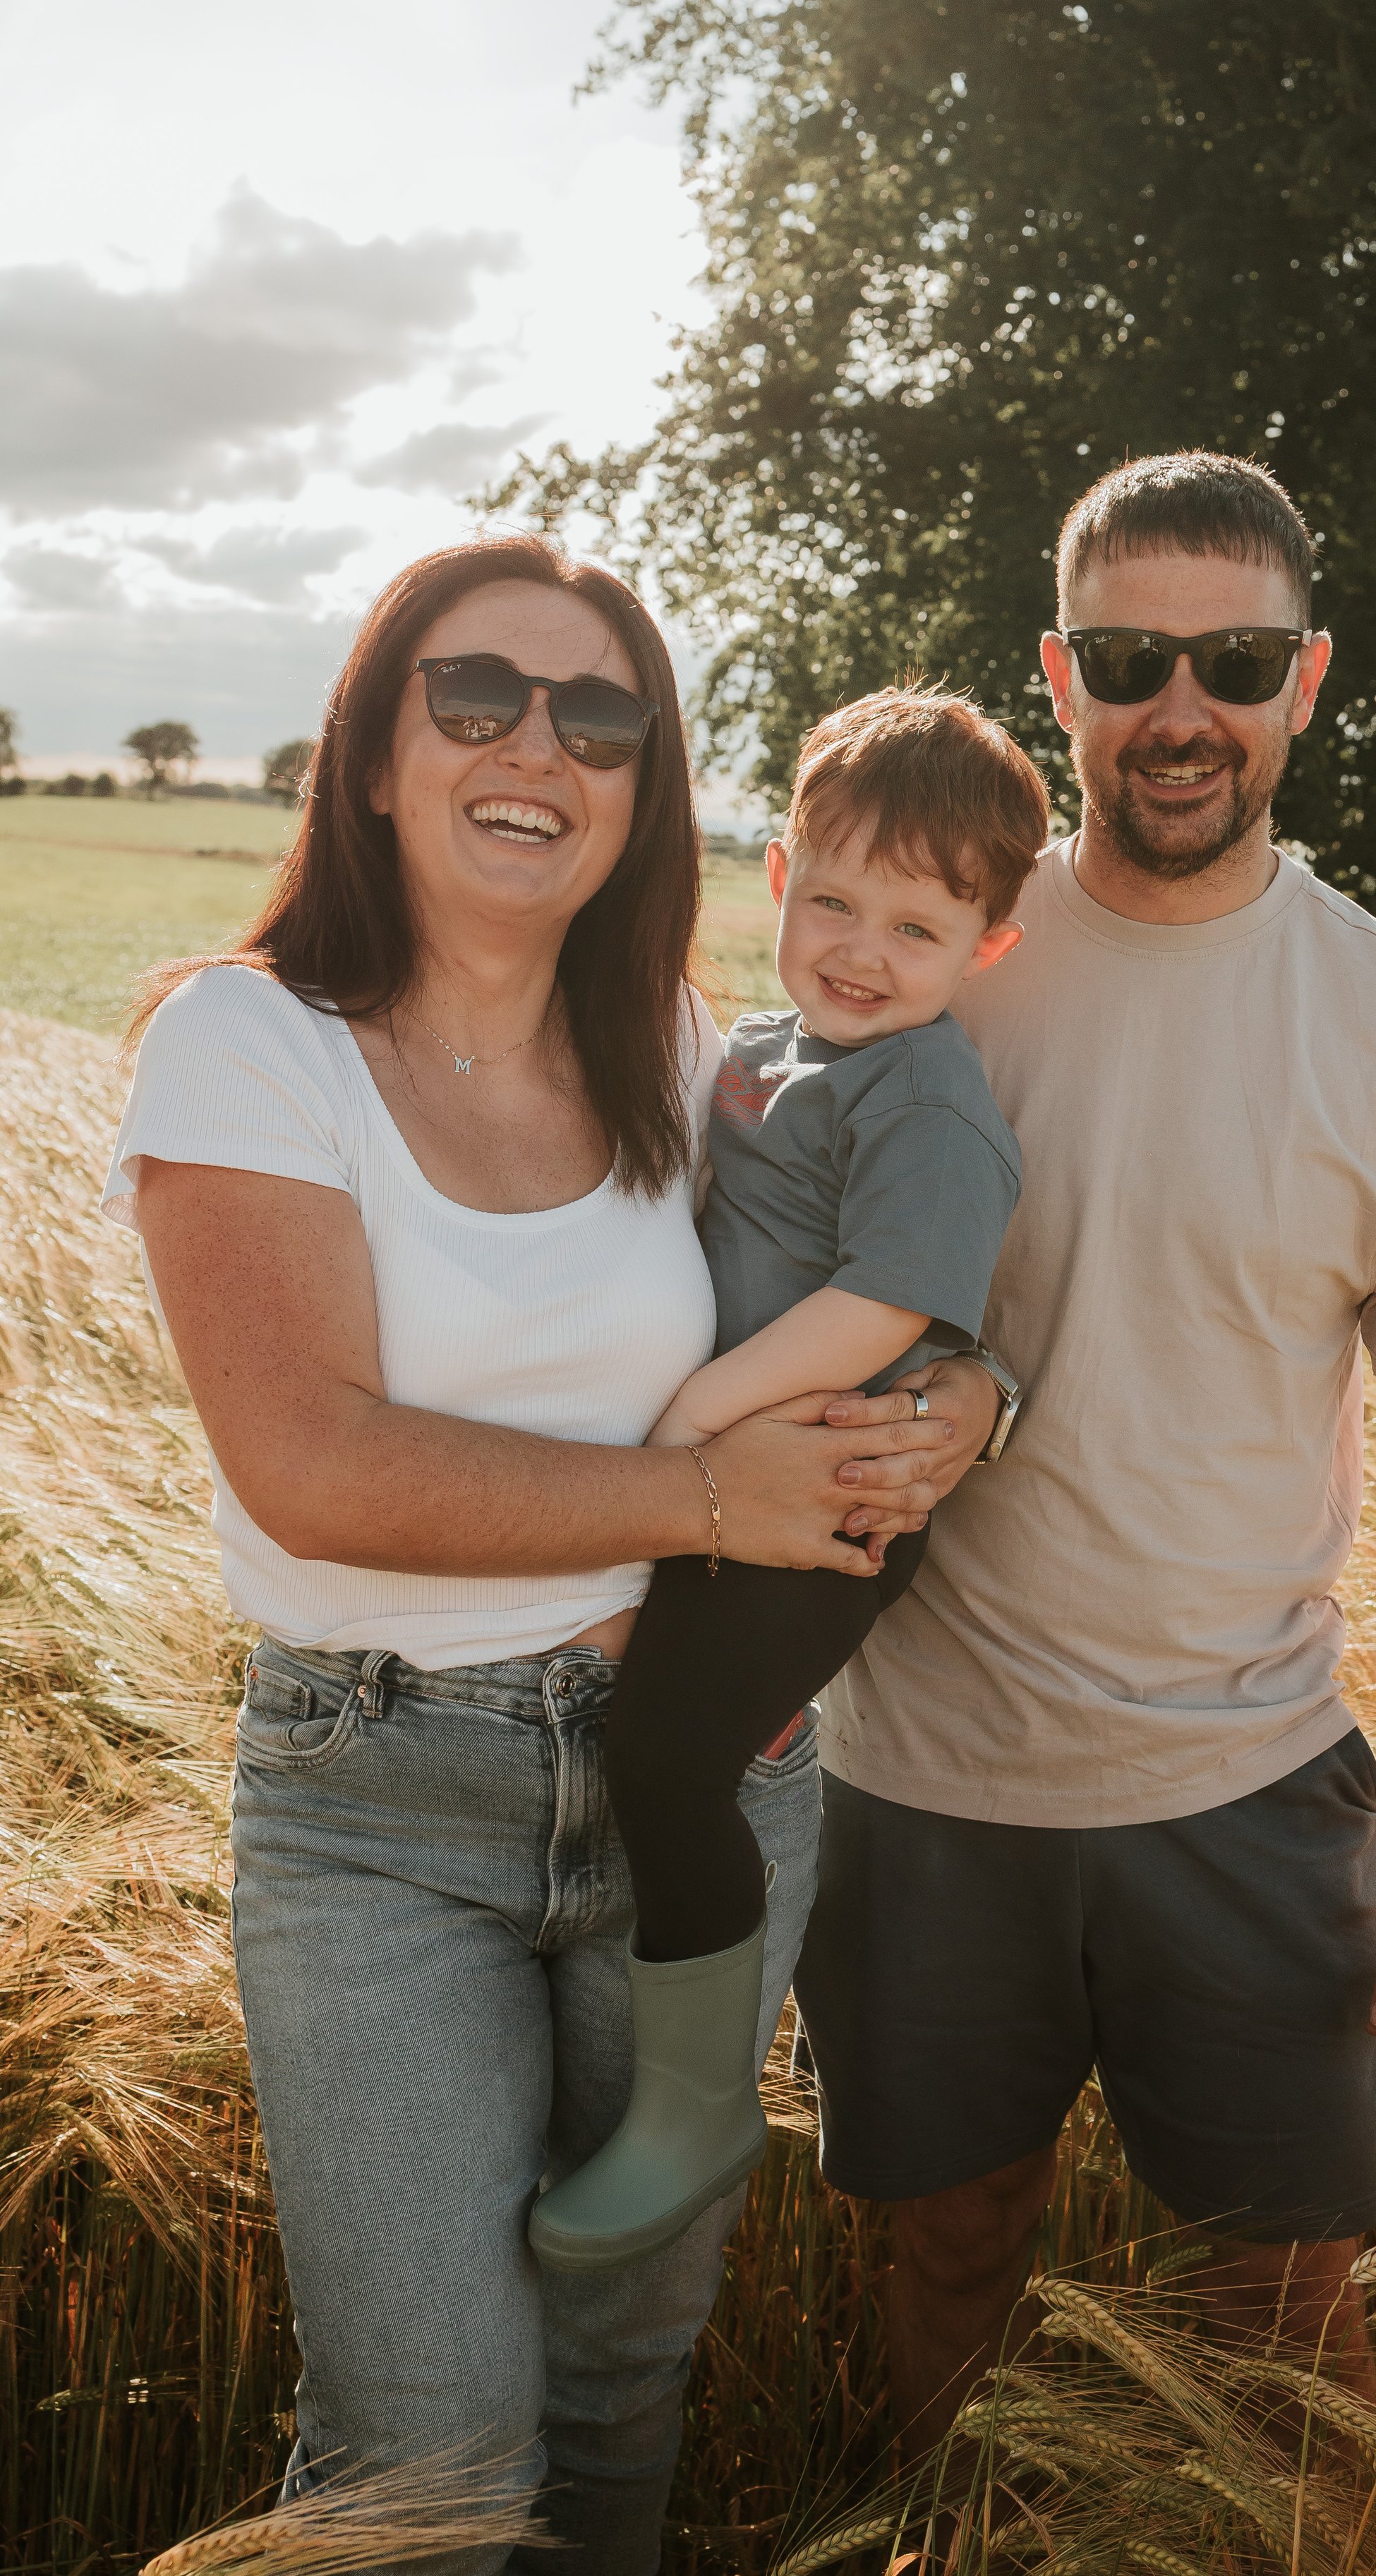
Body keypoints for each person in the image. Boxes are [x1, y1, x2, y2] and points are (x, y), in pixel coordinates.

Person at [101, 536, 942, 2576]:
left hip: (713, 1779)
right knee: (430, 2465)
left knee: (617, 2387)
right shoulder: (250, 1043)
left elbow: (878, 1276)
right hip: (384, 1804)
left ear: (641, 787)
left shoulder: (673, 1039)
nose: (535, 746)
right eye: (474, 697)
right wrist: (709, 1501)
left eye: (600, 716)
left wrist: (964, 1400)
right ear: (375, 755)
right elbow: (318, 1463)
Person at [793, 449, 1376, 2453]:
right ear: (1060, 673)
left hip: (1237, 1783)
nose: (1181, 707)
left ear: (1304, 680)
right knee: (946, 2253)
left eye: (1235, 658)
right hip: (922, 1783)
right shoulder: (939, 958)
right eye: (1133, 656)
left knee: (1289, 2324)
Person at [529, 687, 1047, 2275]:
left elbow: (882, 1308)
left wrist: (689, 1413)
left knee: (664, 1763)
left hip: (829, 1485)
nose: (860, 949)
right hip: (741, 1474)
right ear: (774, 876)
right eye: (831, 901)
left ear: (985, 948)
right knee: (661, 1734)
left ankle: (694, 2108)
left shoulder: (926, 1099)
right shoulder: (759, 1051)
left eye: (914, 924)